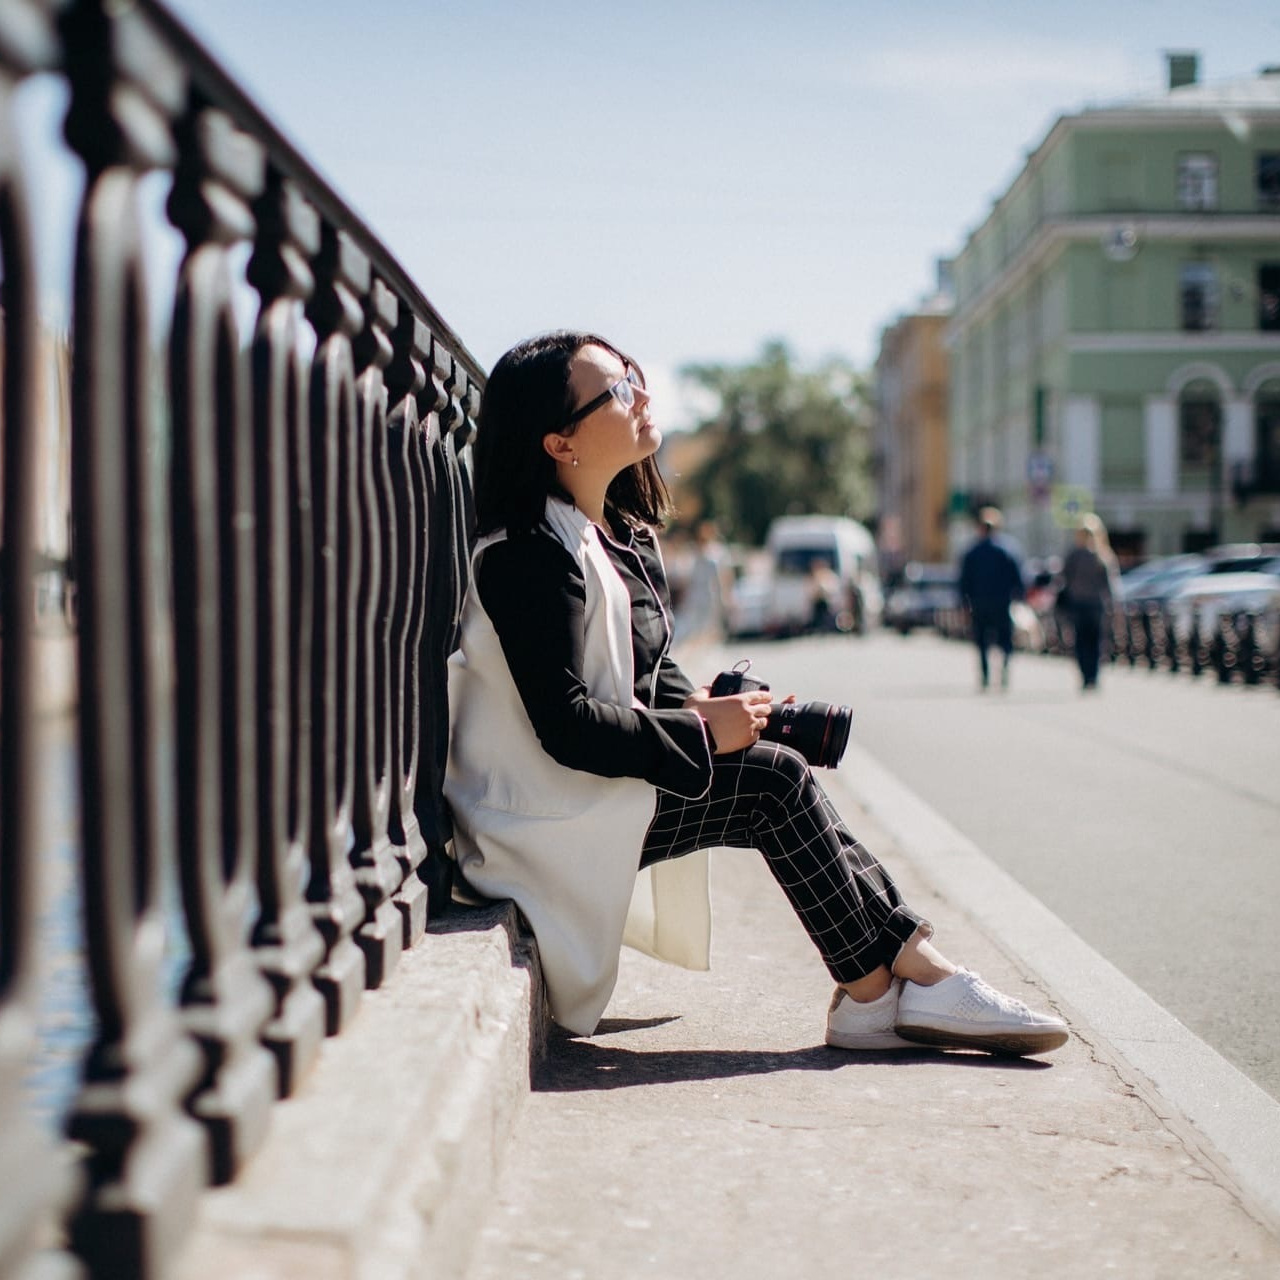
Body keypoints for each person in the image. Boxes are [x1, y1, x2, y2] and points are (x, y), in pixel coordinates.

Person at [444, 331, 1067, 1057]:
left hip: (581, 797)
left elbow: (650, 676)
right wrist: (705, 735)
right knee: (772, 783)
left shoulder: (607, 534)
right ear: (560, 442)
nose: (642, 397)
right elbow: (566, 723)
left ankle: (901, 980)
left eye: (636, 377)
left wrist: (728, 709)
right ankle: (889, 990)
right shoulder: (527, 553)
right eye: (617, 392)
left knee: (772, 760)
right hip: (537, 817)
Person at [958, 507, 1024, 690]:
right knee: (1005, 638)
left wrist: (964, 604)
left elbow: (964, 581)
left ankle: (986, 674)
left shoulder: (972, 552)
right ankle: (1003, 667)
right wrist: (1020, 598)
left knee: (981, 640)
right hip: (1002, 603)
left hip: (980, 603)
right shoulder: (1008, 550)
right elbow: (1017, 578)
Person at [1060, 514, 1119, 690]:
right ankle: (1093, 676)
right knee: (1096, 641)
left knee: (1080, 642)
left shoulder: (1074, 555)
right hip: (1096, 605)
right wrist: (1113, 606)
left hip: (1078, 604)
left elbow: (1064, 579)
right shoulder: (1104, 555)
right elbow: (1110, 585)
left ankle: (1086, 675)